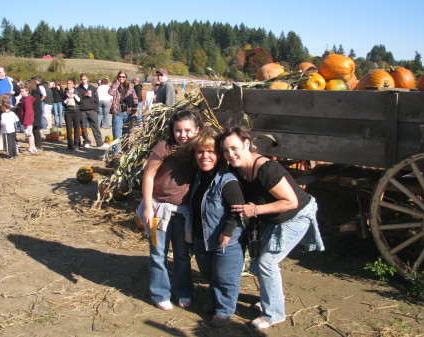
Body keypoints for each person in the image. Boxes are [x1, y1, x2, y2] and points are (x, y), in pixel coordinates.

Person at [218, 126, 325, 329]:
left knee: (267, 262)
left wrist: (256, 210)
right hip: (272, 218)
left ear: (247, 144)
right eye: (225, 151)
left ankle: (274, 314)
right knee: (259, 260)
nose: (230, 154)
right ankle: (271, 299)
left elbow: (290, 202)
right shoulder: (237, 169)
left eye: (234, 148)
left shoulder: (266, 169)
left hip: (296, 215)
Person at [137, 109, 201, 311]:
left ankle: (184, 291)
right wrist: (148, 207)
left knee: (182, 254)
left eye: (188, 130)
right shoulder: (164, 147)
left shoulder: (198, 150)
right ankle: (160, 293)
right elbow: (148, 176)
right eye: (178, 130)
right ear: (172, 131)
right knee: (158, 253)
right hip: (158, 210)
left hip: (183, 213)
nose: (183, 135)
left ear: (197, 130)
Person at [190, 128, 245, 328]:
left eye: (211, 151)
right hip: (201, 237)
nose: (205, 156)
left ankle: (224, 311)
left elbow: (237, 210)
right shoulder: (196, 177)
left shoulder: (227, 180)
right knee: (209, 274)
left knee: (225, 276)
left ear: (219, 156)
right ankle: (214, 299)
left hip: (225, 239)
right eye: (200, 152)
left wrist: (227, 232)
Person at [108, 71, 138, 154]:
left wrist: (134, 109)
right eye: (120, 77)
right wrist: (117, 83)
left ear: (126, 78)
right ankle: (115, 154)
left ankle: (125, 153)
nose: (121, 78)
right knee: (117, 135)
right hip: (118, 113)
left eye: (123, 77)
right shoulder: (115, 86)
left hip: (127, 113)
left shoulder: (130, 87)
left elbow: (135, 98)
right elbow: (110, 92)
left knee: (126, 134)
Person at [77, 73, 108, 149]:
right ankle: (86, 142)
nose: (83, 81)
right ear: (80, 80)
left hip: (92, 110)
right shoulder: (78, 89)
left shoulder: (92, 88)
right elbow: (77, 99)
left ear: (87, 79)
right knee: (84, 127)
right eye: (82, 79)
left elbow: (96, 99)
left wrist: (95, 108)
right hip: (82, 110)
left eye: (84, 79)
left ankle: (99, 142)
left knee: (95, 126)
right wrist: (84, 95)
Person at [0, 95, 20, 159]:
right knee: (13, 142)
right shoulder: (12, 113)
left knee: (8, 143)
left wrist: (2, 123)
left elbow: (3, 122)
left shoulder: (4, 115)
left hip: (7, 130)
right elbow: (16, 120)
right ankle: (14, 154)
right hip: (13, 130)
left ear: (4, 108)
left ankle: (9, 155)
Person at [17, 86, 37, 153]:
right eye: (21, 91)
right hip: (28, 120)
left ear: (27, 91)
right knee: (30, 134)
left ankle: (31, 148)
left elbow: (28, 112)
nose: (22, 93)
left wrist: (26, 122)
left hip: (27, 120)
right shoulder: (25, 100)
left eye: (23, 91)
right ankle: (33, 147)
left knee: (29, 134)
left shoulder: (27, 100)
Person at [63, 78, 82, 151]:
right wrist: (68, 97)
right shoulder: (65, 92)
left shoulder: (77, 91)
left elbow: (79, 101)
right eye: (67, 83)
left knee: (77, 128)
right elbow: (63, 102)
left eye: (70, 83)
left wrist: (74, 96)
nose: (68, 85)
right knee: (68, 128)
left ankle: (77, 144)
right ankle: (70, 145)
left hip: (76, 111)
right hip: (68, 112)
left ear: (73, 85)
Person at [25, 79, 43, 150]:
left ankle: (38, 145)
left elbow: (37, 105)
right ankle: (34, 144)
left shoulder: (35, 94)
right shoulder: (33, 93)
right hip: (34, 113)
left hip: (36, 113)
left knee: (35, 129)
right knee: (33, 129)